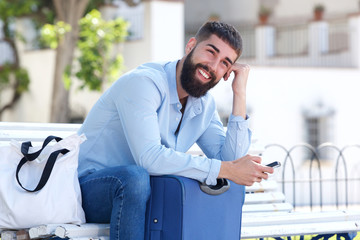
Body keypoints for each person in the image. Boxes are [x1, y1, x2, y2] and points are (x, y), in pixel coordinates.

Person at [77, 21, 274, 240]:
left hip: (146, 196)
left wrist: (240, 93)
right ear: (191, 46)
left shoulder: (203, 104)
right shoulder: (143, 83)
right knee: (134, 178)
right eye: (210, 52)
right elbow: (149, 158)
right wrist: (226, 169)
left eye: (224, 64)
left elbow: (232, 161)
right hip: (88, 191)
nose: (213, 66)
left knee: (158, 186)